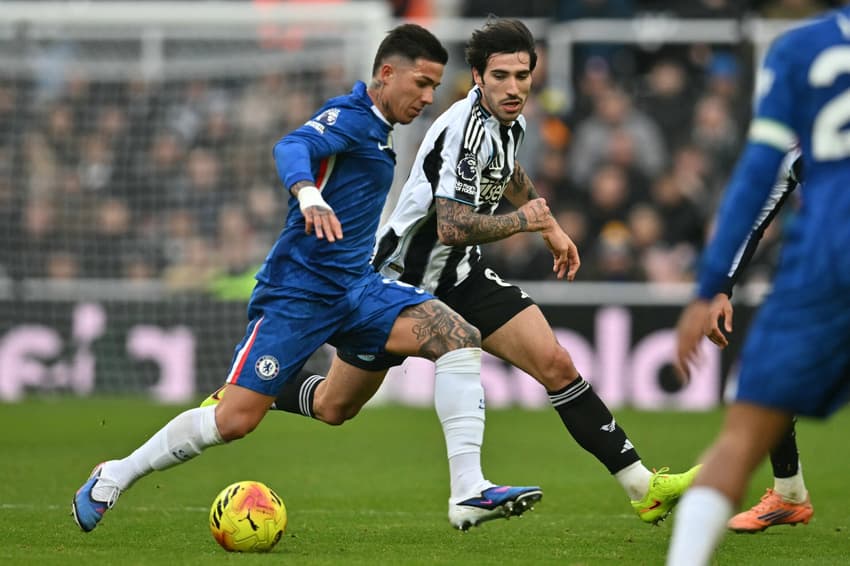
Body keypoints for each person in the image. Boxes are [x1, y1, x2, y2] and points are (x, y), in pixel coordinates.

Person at [219, 17, 699, 530]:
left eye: (522, 75)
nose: (513, 87)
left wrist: (549, 225)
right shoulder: (462, 131)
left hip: (461, 276)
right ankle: (248, 390)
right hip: (403, 277)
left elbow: (509, 171)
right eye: (501, 77)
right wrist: (525, 222)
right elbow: (450, 226)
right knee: (337, 406)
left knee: (556, 363)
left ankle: (641, 487)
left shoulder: (510, 123)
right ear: (477, 77)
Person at [72, 23, 540, 534]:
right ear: (386, 74)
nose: (428, 98)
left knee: (445, 344)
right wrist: (307, 194)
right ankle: (114, 476)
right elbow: (290, 146)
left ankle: (468, 491)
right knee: (234, 421)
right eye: (422, 84)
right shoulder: (350, 118)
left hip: (357, 289)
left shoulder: (380, 133)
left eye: (434, 87)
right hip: (297, 295)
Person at [670, 6, 850, 564]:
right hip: (824, 260)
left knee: (742, 425)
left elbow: (757, 179)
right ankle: (789, 491)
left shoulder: (802, 49)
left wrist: (709, 287)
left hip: (826, 263)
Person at [702, 146, 814, 533]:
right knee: (765, 373)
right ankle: (789, 493)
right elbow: (753, 222)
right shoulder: (796, 156)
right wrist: (721, 289)